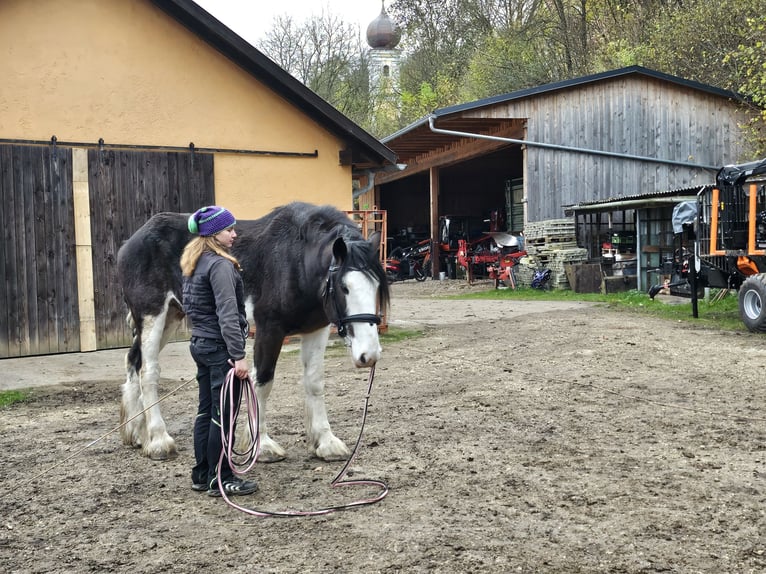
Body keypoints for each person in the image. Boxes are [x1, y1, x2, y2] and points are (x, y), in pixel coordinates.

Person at [180, 206, 258, 497]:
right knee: (222, 414)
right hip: (219, 348)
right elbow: (227, 314)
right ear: (214, 234)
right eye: (229, 230)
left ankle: (202, 474)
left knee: (206, 411)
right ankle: (221, 478)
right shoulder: (221, 266)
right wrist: (239, 355)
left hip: (200, 344)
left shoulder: (194, 261)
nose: (235, 234)